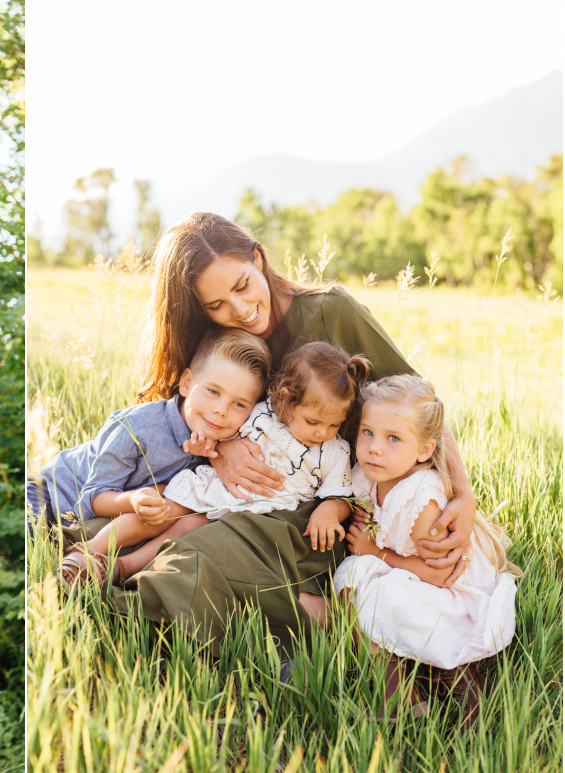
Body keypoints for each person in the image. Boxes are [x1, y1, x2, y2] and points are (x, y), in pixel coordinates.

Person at [100, 210, 482, 651]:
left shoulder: (332, 312)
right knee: (121, 519)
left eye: (242, 286)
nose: (239, 310)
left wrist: (463, 492)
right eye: (216, 305)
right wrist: (223, 451)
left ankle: (327, 633)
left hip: (330, 501)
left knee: (195, 558)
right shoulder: (224, 338)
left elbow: (421, 404)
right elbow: (192, 412)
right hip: (248, 491)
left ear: (258, 259)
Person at [96, 343, 365, 592]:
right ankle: (89, 551)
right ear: (286, 399)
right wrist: (207, 447)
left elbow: (341, 495)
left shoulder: (336, 450)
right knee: (165, 509)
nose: (322, 433)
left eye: (334, 425)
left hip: (256, 515)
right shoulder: (262, 414)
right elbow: (221, 440)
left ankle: (124, 567)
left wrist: (329, 512)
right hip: (218, 487)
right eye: (313, 421)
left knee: (187, 528)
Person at [333, 374, 517, 671]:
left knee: (377, 594)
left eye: (393, 438)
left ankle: (423, 673)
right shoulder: (369, 474)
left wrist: (376, 552)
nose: (374, 448)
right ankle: (384, 665)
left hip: (450, 594)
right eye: (367, 432)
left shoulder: (422, 501)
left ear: (424, 450)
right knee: (350, 576)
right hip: (409, 569)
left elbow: (440, 576)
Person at [52, 331, 269, 580]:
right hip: (55, 495)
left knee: (198, 516)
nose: (221, 410)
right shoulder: (137, 427)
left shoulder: (231, 442)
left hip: (141, 514)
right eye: (213, 391)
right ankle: (83, 552)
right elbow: (93, 498)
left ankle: (121, 568)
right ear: (186, 383)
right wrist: (132, 500)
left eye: (239, 404)